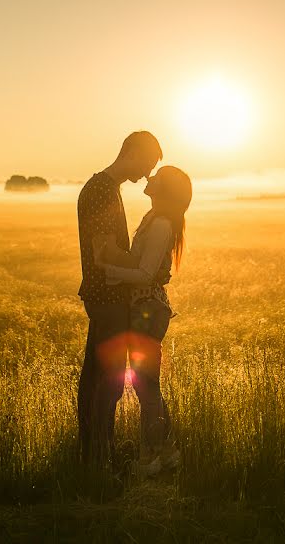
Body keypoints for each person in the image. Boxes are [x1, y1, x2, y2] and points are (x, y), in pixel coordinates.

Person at [97, 165, 192, 477]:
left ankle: (148, 459)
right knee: (148, 385)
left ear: (164, 191)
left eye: (158, 177)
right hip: (144, 308)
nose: (150, 178)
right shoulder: (153, 219)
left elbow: (146, 274)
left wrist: (109, 271)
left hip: (147, 311)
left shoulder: (162, 224)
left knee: (146, 387)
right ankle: (168, 451)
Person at [76, 131, 162, 466]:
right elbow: (104, 253)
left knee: (98, 377)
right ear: (134, 152)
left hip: (107, 294)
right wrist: (146, 266)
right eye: (148, 164)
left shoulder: (107, 188)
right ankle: (100, 456)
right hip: (105, 295)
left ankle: (93, 452)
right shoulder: (100, 190)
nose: (147, 174)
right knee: (107, 382)